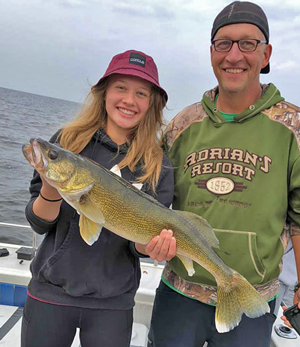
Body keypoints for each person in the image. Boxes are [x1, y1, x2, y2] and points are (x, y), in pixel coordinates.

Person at [147, 2, 300, 347]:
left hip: (253, 297)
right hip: (179, 292)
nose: (234, 55)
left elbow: (298, 218)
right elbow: (153, 202)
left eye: (247, 43)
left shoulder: (293, 129)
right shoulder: (181, 126)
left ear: (266, 53)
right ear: (212, 52)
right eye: (223, 43)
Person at [21, 49, 176, 347]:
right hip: (50, 293)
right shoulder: (67, 142)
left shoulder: (158, 165)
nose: (129, 100)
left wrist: (154, 246)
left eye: (141, 93)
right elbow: (39, 223)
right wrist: (51, 188)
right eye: (120, 88)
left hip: (113, 305)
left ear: (152, 104)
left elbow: (140, 248)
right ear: (103, 93)